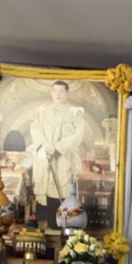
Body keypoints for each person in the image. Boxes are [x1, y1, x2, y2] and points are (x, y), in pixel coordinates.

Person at [30, 80, 85, 218]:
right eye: (55, 91)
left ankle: (64, 225)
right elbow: (35, 128)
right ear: (51, 93)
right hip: (47, 154)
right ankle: (49, 223)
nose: (57, 94)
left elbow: (77, 134)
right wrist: (45, 144)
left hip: (64, 157)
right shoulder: (43, 112)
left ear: (67, 93)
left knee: (63, 188)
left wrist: (58, 148)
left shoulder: (74, 113)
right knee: (47, 188)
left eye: (61, 91)